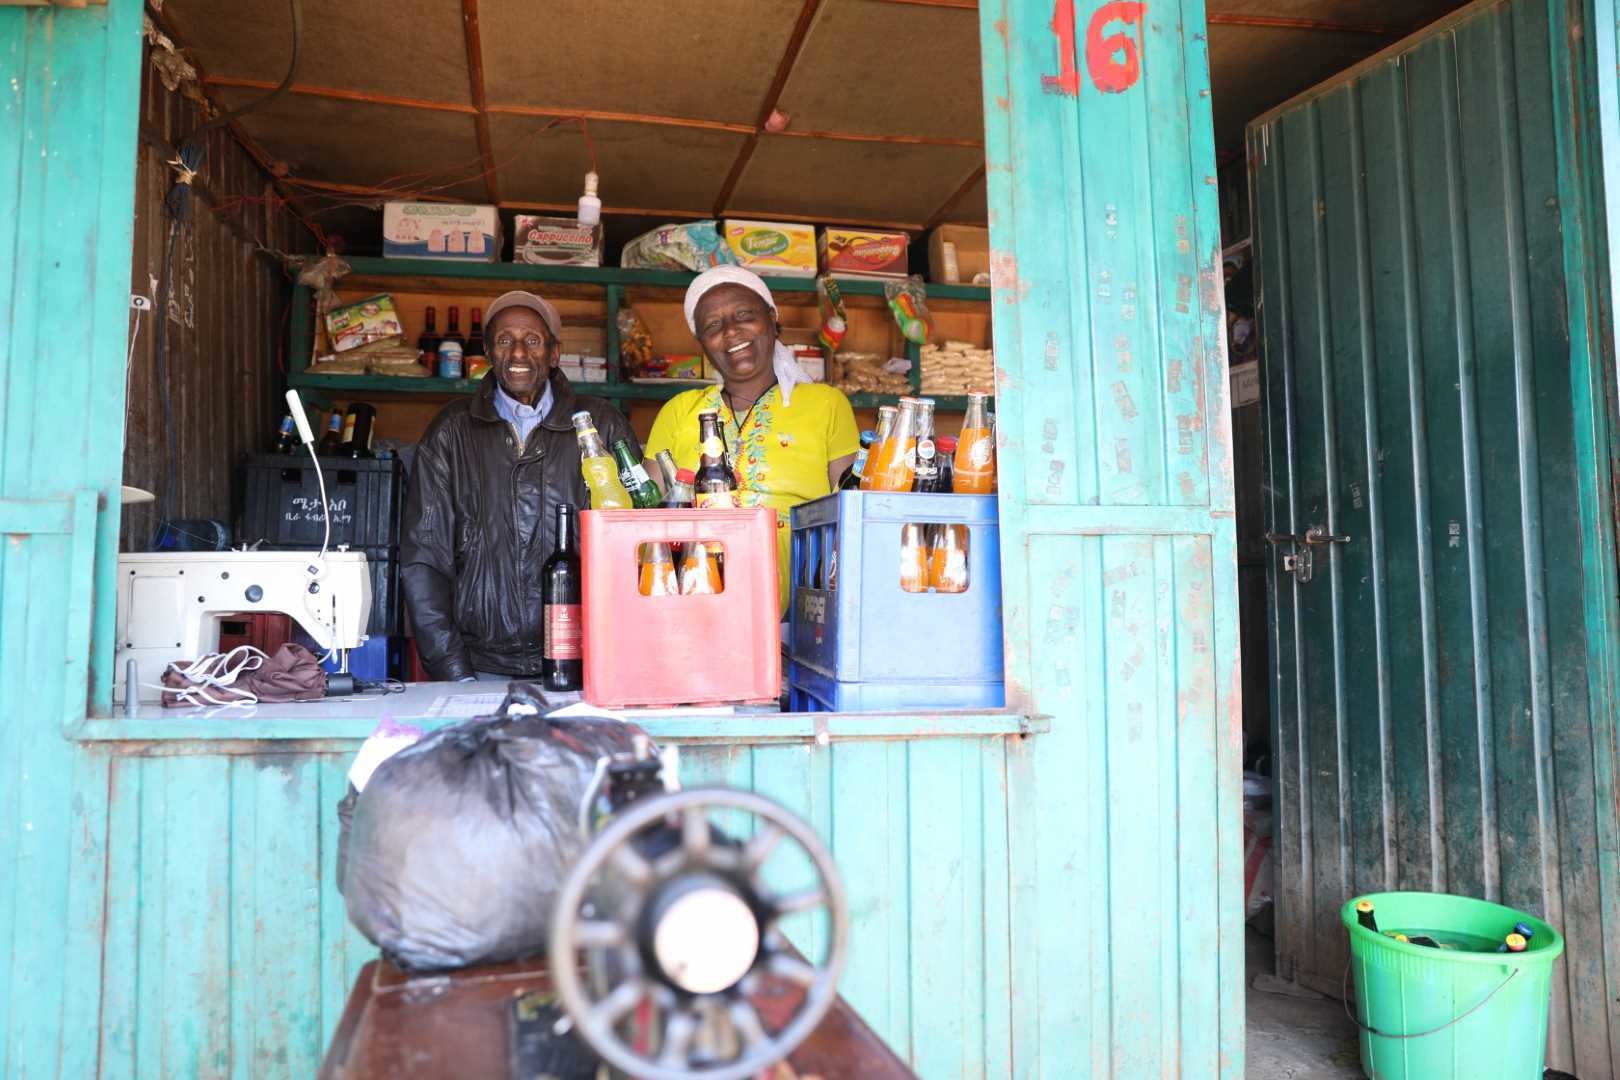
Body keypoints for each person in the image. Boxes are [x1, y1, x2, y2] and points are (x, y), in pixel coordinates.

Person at [402, 289, 639, 681]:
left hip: (588, 662)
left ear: (555, 352)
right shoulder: (452, 430)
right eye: (504, 341)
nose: (517, 354)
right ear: (489, 352)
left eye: (531, 340)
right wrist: (452, 668)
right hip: (481, 665)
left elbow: (635, 546)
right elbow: (424, 557)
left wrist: (616, 656)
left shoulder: (602, 423)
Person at [643, 266, 860, 613]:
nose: (731, 331)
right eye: (713, 326)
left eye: (745, 315)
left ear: (772, 319)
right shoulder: (679, 410)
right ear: (701, 342)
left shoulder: (825, 403)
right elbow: (644, 512)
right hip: (694, 594)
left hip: (801, 602)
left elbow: (852, 508)